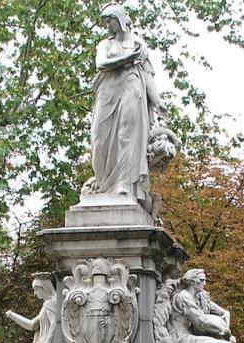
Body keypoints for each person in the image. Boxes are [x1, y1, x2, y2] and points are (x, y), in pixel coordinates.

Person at [87, 4, 163, 212]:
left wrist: (157, 101)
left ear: (119, 19)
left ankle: (124, 183)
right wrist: (128, 59)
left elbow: (147, 76)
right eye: (105, 21)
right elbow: (101, 64)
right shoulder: (104, 44)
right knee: (99, 139)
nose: (107, 25)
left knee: (126, 137)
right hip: (107, 92)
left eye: (109, 20)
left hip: (131, 87)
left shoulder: (138, 45)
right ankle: (103, 183)